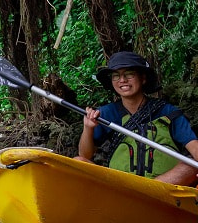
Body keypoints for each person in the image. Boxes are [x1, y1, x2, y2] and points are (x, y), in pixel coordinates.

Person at [79, 51, 198, 185]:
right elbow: (85, 155)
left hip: (163, 188)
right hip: (120, 187)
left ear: (143, 78)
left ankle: (147, 190)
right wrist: (88, 128)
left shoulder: (168, 111)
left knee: (191, 164)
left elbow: (194, 147)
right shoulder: (105, 113)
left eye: (129, 74)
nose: (122, 80)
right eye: (116, 76)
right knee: (78, 162)